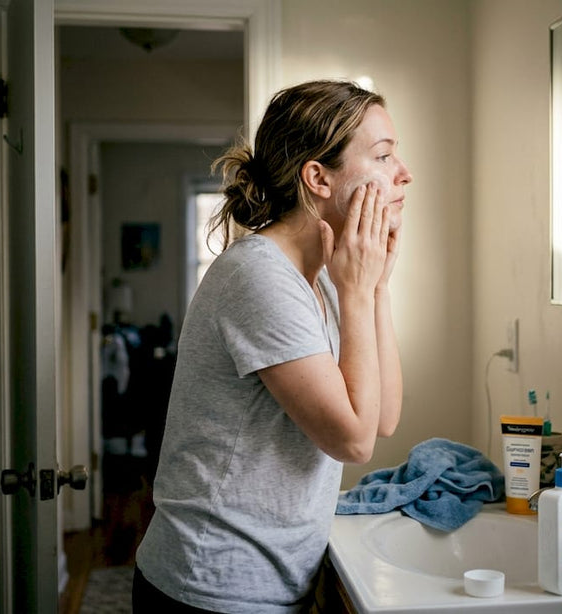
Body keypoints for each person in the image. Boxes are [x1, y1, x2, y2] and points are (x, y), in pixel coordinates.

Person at [133, 80, 412, 613]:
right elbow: (353, 442)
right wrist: (357, 291)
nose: (404, 172)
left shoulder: (328, 276)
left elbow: (384, 418)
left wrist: (374, 287)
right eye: (382, 155)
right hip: (213, 587)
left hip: (275, 581)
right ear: (318, 177)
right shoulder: (257, 277)